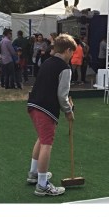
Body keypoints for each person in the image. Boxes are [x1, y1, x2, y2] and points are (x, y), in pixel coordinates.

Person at [25, 32, 75, 197]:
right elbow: (62, 95)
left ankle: (34, 174)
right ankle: (42, 184)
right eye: (72, 52)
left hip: (33, 104)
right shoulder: (65, 68)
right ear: (67, 50)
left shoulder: (47, 62)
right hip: (46, 108)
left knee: (41, 138)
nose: (72, 56)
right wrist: (68, 111)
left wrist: (66, 100)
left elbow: (54, 88)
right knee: (47, 143)